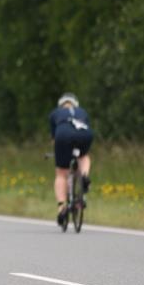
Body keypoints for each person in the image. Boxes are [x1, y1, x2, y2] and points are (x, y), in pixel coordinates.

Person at [49, 92, 93, 226]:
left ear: (61, 105)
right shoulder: (83, 112)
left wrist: (57, 152)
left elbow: (54, 139)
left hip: (63, 135)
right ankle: (84, 175)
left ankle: (62, 207)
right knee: (84, 156)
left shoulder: (55, 113)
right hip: (85, 135)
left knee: (61, 173)